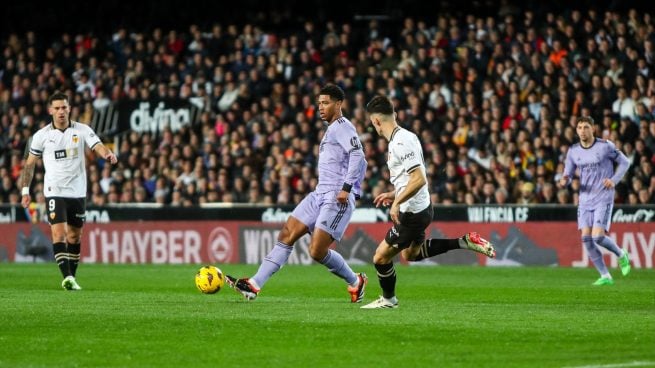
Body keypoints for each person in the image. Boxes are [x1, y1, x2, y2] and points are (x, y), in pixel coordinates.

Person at [226, 84, 368, 302]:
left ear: (339, 104)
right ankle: (254, 284)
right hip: (320, 193)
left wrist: (348, 188)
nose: (321, 107)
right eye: (319, 102)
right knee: (286, 234)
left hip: (337, 197)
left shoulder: (343, 126)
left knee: (316, 251)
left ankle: (356, 282)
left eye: (326, 103)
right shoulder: (332, 129)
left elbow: (359, 156)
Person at [361, 95, 496, 309]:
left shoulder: (400, 142)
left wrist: (397, 203)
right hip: (422, 207)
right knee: (410, 254)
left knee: (380, 257)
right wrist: (393, 194)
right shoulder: (408, 136)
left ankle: (388, 300)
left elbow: (418, 178)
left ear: (376, 121)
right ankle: (463, 241)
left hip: (411, 213)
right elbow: (411, 178)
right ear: (394, 115)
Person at [19, 91, 118, 290]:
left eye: (64, 107)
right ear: (50, 111)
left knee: (75, 236)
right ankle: (67, 277)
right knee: (59, 233)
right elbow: (29, 165)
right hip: (54, 190)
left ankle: (71, 278)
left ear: (69, 109)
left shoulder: (82, 130)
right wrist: (25, 190)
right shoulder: (41, 136)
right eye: (57, 108)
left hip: (77, 191)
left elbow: (97, 145)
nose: (61, 111)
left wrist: (107, 155)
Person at [558, 116, 631, 286]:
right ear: (576, 130)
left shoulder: (605, 146)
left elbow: (625, 162)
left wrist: (613, 180)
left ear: (593, 129)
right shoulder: (573, 151)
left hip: (603, 197)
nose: (582, 131)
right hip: (584, 200)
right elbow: (567, 174)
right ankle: (605, 276)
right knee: (586, 239)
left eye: (586, 127)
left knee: (597, 237)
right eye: (580, 127)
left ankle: (621, 255)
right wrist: (565, 181)